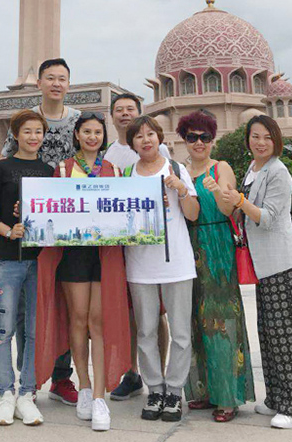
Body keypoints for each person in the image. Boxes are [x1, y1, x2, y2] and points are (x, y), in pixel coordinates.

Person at [221, 115, 292, 429]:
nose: (261, 142)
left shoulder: (279, 172)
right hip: (264, 266)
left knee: (290, 336)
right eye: (255, 136)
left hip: (283, 264)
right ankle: (277, 397)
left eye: (267, 137)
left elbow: (268, 218)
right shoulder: (253, 169)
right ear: (248, 140)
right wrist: (233, 202)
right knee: (270, 335)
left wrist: (239, 200)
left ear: (276, 140)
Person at [35, 111, 130, 432]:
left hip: (104, 253)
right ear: (77, 135)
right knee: (78, 318)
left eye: (97, 132)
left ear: (104, 136)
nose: (92, 137)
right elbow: (50, 209)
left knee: (98, 322)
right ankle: (85, 387)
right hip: (73, 251)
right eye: (86, 131)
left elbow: (125, 209)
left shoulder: (114, 170)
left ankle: (101, 397)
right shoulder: (63, 169)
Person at [1, 58, 80, 406]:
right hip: (30, 231)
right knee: (27, 308)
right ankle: (28, 378)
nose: (56, 84)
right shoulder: (25, 120)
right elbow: (6, 167)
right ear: (39, 83)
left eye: (62, 78)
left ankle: (62, 377)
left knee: (63, 304)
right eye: (50, 78)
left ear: (68, 83)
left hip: (68, 227)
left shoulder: (78, 120)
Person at [176, 111, 255, 422]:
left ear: (212, 140)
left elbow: (227, 209)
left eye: (205, 137)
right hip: (188, 247)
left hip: (217, 246)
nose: (199, 143)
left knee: (221, 321)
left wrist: (216, 190)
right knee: (195, 319)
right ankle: (204, 390)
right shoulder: (180, 171)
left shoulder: (221, 167)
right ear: (184, 139)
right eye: (192, 137)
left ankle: (227, 397)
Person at [124, 115, 200, 422]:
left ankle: (174, 391)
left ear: (160, 138)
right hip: (140, 262)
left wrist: (181, 190)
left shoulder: (177, 170)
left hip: (176, 262)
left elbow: (193, 214)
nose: (146, 140)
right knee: (146, 331)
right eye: (139, 136)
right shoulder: (127, 174)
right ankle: (154, 389)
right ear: (132, 143)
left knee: (180, 332)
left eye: (150, 134)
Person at [0, 109, 53, 426]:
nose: (33, 137)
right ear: (15, 135)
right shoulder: (1, 168)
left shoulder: (49, 171)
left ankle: (27, 393)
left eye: (38, 131)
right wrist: (7, 230)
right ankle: (6, 394)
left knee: (34, 330)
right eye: (27, 131)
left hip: (40, 260)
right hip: (6, 259)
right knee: (4, 329)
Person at [103, 93, 171, 401]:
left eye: (130, 109)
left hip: (156, 246)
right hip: (125, 247)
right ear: (112, 116)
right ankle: (133, 373)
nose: (124, 114)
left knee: (157, 314)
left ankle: (161, 374)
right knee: (132, 314)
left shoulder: (160, 150)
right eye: (118, 110)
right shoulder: (109, 153)